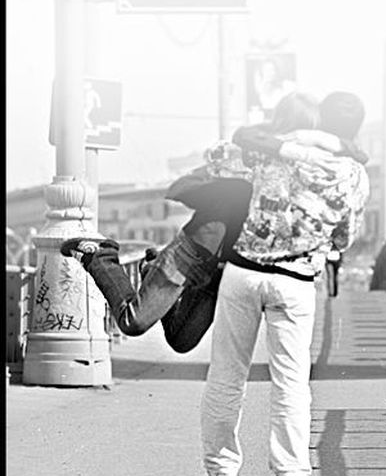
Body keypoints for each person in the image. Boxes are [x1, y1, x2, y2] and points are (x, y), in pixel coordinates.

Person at [59, 93, 360, 352]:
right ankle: (101, 256)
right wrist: (262, 154)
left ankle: (152, 266)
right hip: (193, 250)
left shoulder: (307, 175)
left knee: (182, 340)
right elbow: (216, 154)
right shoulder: (253, 155)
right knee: (133, 322)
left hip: (224, 268)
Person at [201, 91, 370, 476]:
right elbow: (345, 237)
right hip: (294, 282)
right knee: (291, 385)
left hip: (244, 273)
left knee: (227, 375)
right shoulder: (353, 174)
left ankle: (221, 471)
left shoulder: (274, 151)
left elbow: (221, 153)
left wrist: (282, 136)